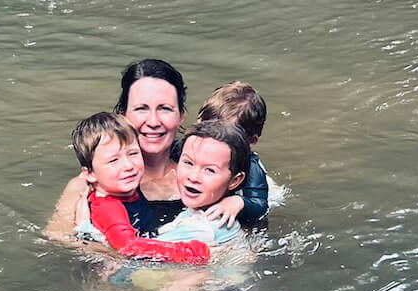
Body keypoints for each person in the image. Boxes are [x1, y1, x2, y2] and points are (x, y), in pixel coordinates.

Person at [46, 58, 187, 241]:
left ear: (181, 116)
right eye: (141, 109)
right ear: (123, 116)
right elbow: (56, 238)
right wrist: (93, 240)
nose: (153, 122)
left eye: (165, 109)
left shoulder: (201, 175)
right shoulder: (87, 185)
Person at [71, 111, 210, 264]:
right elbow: (129, 247)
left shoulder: (124, 191)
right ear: (90, 174)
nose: (128, 166)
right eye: (113, 161)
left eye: (133, 153)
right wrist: (190, 252)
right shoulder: (108, 207)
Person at [159, 120, 250, 247]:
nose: (193, 177)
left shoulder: (204, 228)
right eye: (188, 163)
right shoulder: (204, 214)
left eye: (210, 170)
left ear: (235, 180)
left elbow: (136, 253)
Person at [196, 81, 269, 226]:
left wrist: (239, 202)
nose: (214, 141)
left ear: (251, 141)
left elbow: (260, 206)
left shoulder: (251, 168)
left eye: (227, 139)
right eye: (207, 130)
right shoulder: (192, 148)